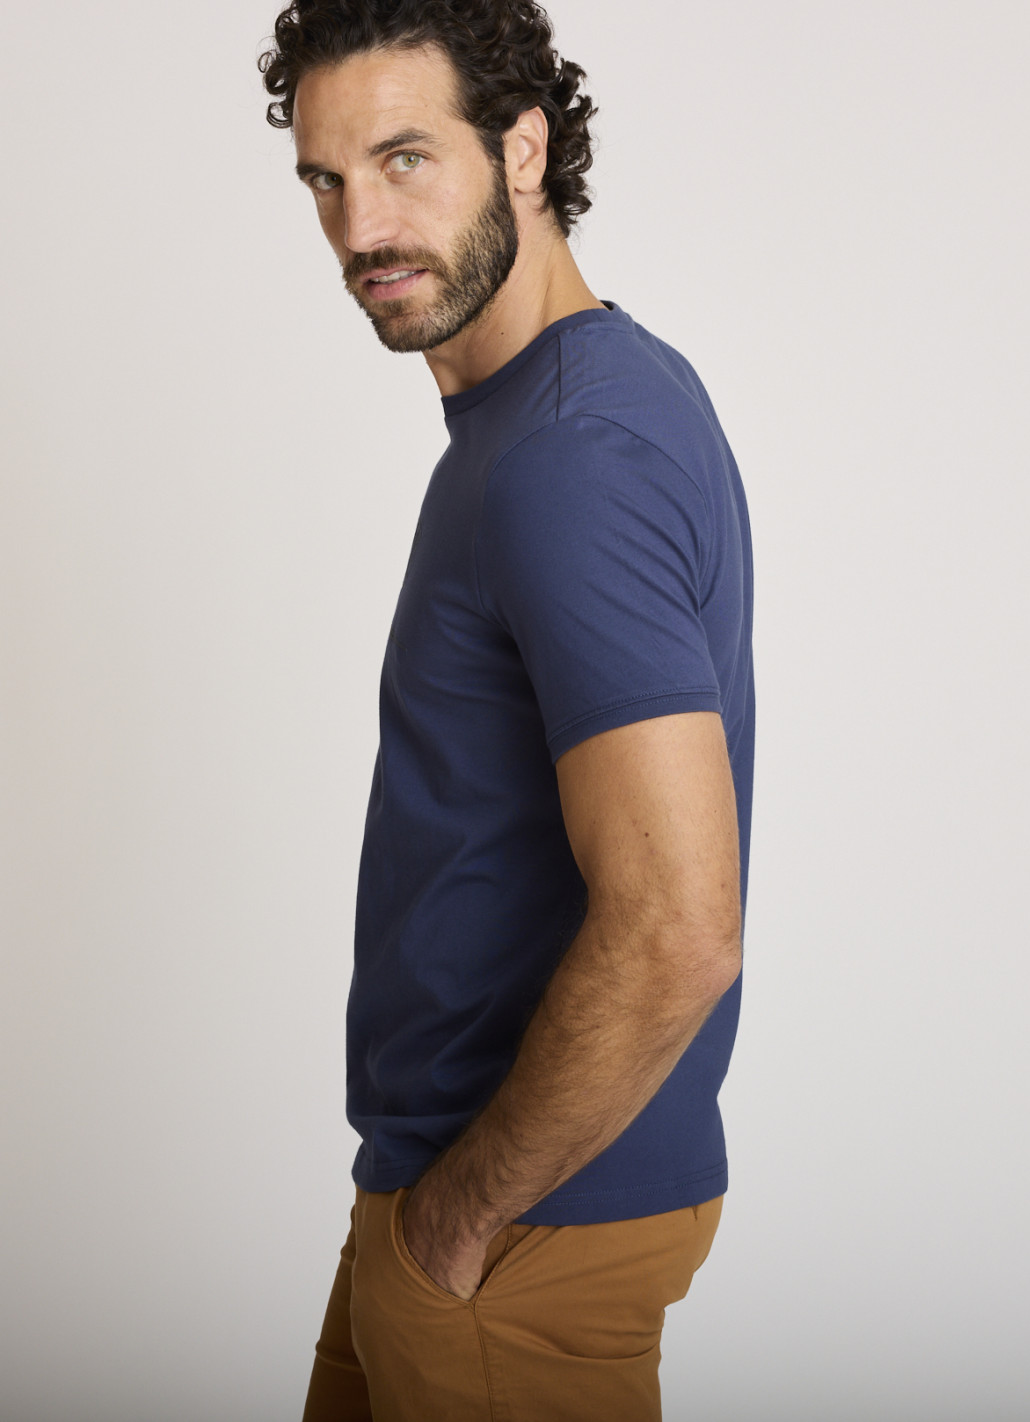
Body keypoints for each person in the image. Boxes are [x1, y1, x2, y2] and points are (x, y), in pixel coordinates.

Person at [260, 3, 755, 1417]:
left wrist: (456, 1227)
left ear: (523, 150)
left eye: (406, 158)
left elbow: (679, 924)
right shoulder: (559, 410)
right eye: (326, 178)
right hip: (463, 1204)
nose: (362, 227)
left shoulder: (570, 454)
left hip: (517, 1232)